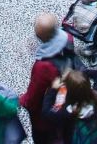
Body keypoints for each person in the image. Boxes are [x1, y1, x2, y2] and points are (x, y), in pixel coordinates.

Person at [20, 13, 73, 144]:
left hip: (47, 120)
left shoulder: (43, 67)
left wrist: (21, 100)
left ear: (39, 37)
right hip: (67, 106)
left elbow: (33, 100)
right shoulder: (68, 38)